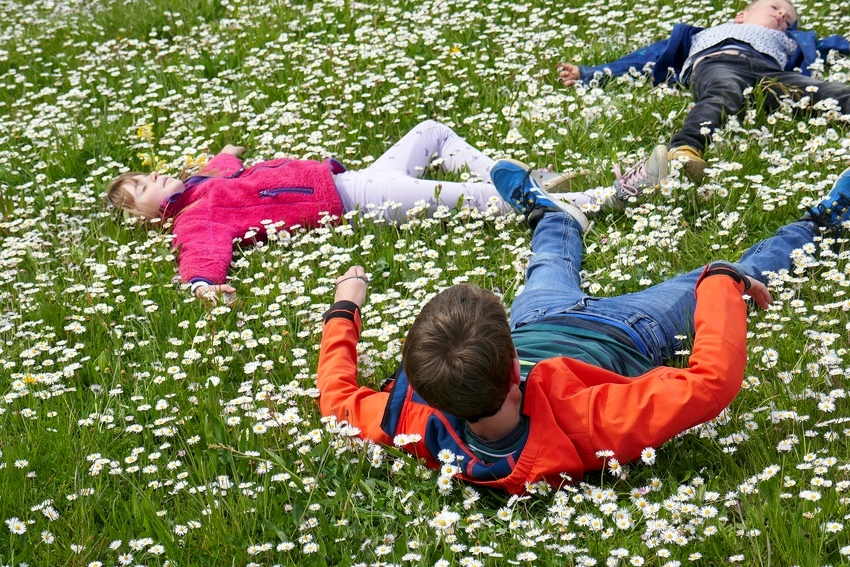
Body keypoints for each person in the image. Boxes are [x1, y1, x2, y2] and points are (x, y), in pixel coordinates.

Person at [317, 157, 850, 493]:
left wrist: (344, 310)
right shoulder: (588, 424)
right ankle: (822, 220)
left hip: (535, 323)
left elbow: (335, 399)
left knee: (548, 265)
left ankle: (553, 215)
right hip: (624, 330)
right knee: (736, 272)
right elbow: (712, 384)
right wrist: (719, 283)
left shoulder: (413, 422)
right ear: (512, 373)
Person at [106, 120, 593, 301]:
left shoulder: (201, 183)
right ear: (144, 215)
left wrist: (229, 149)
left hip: (353, 179)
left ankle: (522, 184)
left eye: (148, 174)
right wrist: (202, 284)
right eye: (144, 188)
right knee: (484, 204)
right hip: (360, 199)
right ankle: (598, 199)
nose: (156, 178)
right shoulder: (195, 215)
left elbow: (222, 167)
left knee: (431, 131)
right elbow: (200, 249)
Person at [558, 0, 850, 186]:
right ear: (740, 15)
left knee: (835, 93)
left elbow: (834, 46)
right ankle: (685, 149)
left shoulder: (792, 40)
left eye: (789, 19)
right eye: (775, 8)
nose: (783, 16)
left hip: (773, 74)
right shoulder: (702, 34)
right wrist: (590, 74)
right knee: (723, 94)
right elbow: (645, 58)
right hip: (718, 63)